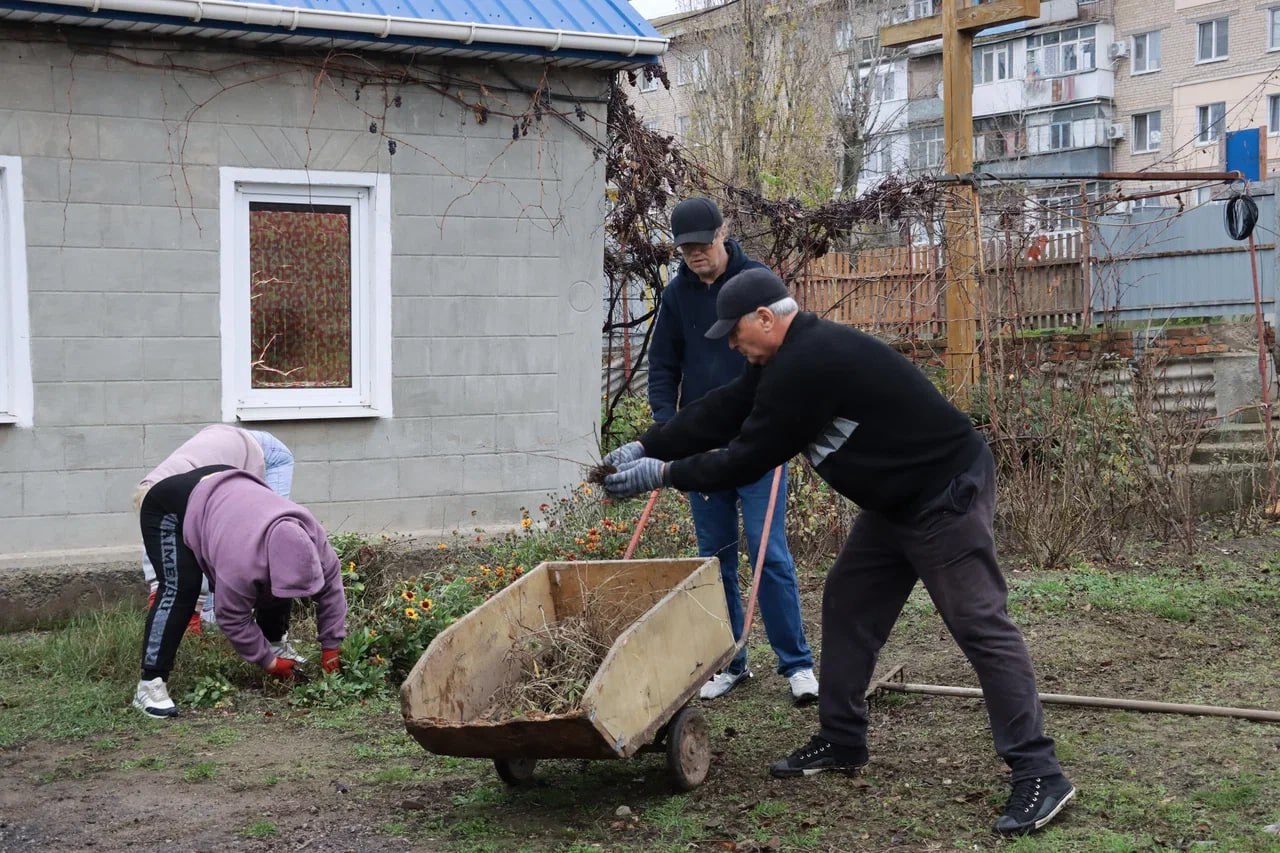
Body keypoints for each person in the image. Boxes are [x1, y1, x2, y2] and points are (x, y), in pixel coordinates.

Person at [603, 268, 1074, 836]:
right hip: (894, 503)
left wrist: (664, 473)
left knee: (979, 623)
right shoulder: (782, 360)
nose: (731, 344)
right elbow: (724, 410)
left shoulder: (810, 362)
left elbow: (747, 456)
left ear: (766, 319)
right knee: (848, 604)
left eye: (735, 332)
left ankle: (1040, 773)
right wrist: (647, 444)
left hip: (943, 493)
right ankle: (843, 739)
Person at [640, 196, 817, 704]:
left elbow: (788, 352)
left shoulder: (758, 282)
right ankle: (730, 661)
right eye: (685, 248)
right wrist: (668, 427)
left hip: (759, 439)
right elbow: (663, 366)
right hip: (704, 446)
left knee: (769, 552)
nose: (695, 255)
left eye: (702, 244)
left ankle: (796, 665)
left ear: (723, 233)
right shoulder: (677, 296)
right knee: (714, 557)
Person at [133, 467, 346, 719]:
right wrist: (267, 662)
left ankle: (276, 644)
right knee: (182, 588)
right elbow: (231, 617)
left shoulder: (317, 546)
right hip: (173, 503)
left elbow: (332, 594)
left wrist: (332, 649)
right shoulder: (240, 563)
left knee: (280, 586)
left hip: (232, 490)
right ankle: (150, 683)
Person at [134, 425, 295, 632]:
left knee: (266, 533)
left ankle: (272, 632)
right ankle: (214, 618)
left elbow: (200, 543)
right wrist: (157, 590)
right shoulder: (154, 489)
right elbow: (155, 541)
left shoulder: (190, 489)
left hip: (268, 455)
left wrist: (195, 607)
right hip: (225, 449)